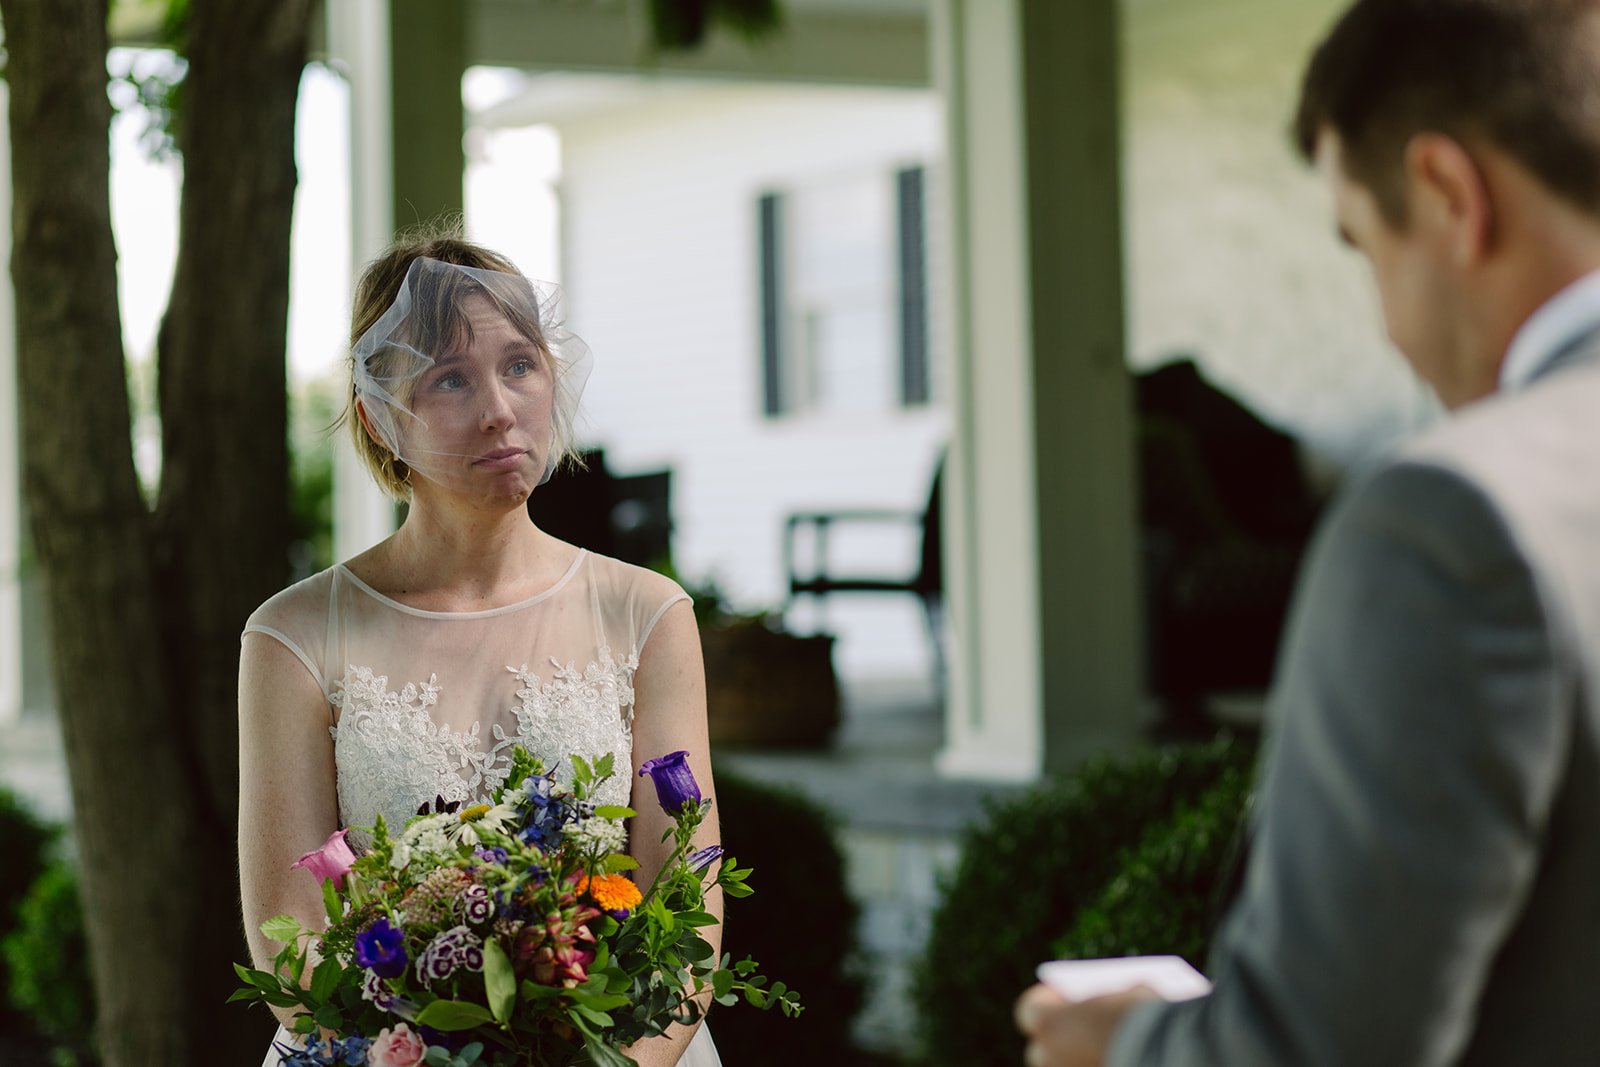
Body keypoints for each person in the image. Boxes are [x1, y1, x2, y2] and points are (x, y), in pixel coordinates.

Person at [1016, 0, 1600, 1063]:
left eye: (1363, 246)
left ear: (1447, 195)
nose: (1388, 325)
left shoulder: (1453, 522)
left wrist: (1130, 1043)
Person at [238, 232, 722, 1066]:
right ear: (378, 418)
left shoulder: (647, 613)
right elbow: (292, 947)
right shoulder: (294, 636)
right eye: (452, 378)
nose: (500, 407)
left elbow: (688, 905)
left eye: (520, 365)